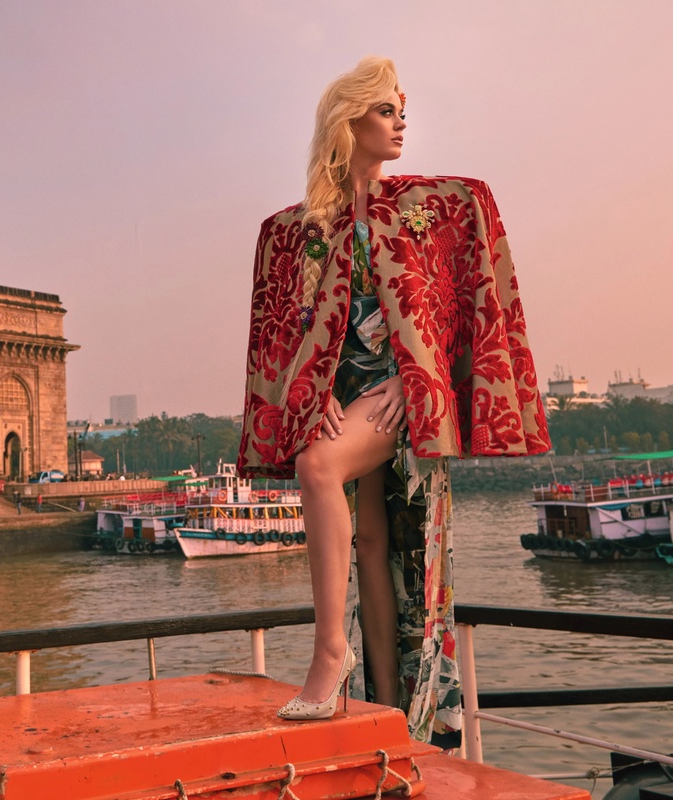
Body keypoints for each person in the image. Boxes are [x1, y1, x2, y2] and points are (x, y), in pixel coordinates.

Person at [236, 57, 548, 745]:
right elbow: (280, 332)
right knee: (370, 542)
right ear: (348, 121)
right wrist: (306, 395)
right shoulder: (295, 229)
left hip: (397, 396)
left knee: (317, 469)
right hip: (337, 395)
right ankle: (388, 718)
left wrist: (424, 380)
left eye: (403, 109)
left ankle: (327, 657)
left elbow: (453, 288)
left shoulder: (425, 206)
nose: (401, 121)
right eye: (385, 109)